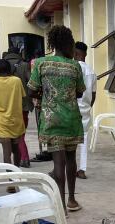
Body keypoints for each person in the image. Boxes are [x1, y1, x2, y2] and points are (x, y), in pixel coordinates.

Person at [28, 26, 85, 212]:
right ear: (68, 44)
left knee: (58, 162)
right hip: (71, 120)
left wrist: (45, 93)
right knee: (71, 159)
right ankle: (72, 200)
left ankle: (59, 204)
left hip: (51, 118)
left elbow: (31, 90)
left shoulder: (41, 63)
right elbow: (79, 92)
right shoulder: (75, 65)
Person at [0, 59, 27, 166]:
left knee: (6, 154)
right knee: (16, 150)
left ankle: (10, 179)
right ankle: (17, 170)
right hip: (17, 122)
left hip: (3, 122)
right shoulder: (17, 81)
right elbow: (22, 96)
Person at [3, 46, 33, 167]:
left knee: (11, 134)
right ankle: (24, 157)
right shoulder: (24, 65)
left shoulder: (2, 65)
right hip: (23, 105)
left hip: (7, 106)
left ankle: (18, 158)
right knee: (21, 133)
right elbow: (31, 83)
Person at [73, 41, 97, 179]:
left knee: (69, 141)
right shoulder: (92, 72)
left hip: (72, 109)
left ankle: (67, 167)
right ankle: (82, 169)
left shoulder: (72, 68)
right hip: (86, 110)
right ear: (85, 54)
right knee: (84, 140)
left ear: (75, 53)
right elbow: (93, 95)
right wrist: (87, 106)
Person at [30, 50, 52, 162]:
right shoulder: (48, 62)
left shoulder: (35, 62)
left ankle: (43, 151)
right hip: (49, 98)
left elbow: (33, 84)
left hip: (38, 98)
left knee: (40, 125)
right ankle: (49, 149)